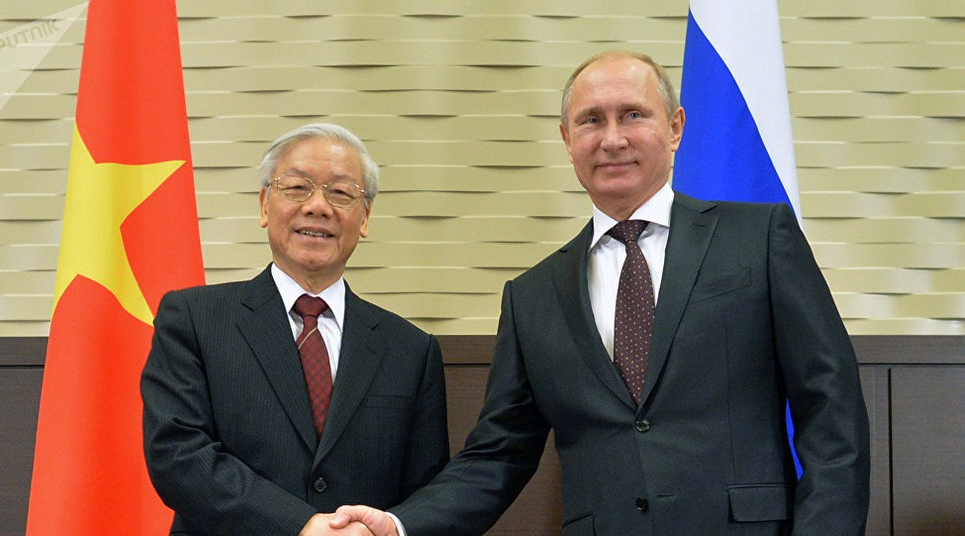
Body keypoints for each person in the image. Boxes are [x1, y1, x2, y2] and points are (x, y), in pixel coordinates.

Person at [331, 51, 871, 535]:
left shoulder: (759, 238)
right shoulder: (532, 296)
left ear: (676, 127)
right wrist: (398, 526)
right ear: (568, 141)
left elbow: (831, 406)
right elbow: (498, 455)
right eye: (591, 120)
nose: (612, 138)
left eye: (633, 114)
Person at [141, 123, 450, 535]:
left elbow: (425, 496)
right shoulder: (194, 319)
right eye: (297, 188)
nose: (318, 206)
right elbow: (178, 456)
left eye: (341, 193)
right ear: (264, 205)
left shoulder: (411, 350)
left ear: (365, 218)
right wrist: (299, 525)